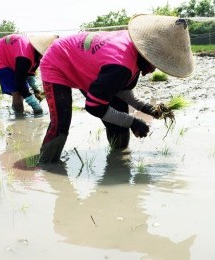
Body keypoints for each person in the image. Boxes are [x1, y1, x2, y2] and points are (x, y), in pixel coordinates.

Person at [37, 14, 194, 163]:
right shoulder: (120, 66)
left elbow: (122, 91)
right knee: (61, 122)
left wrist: (148, 109)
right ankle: (47, 164)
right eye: (157, 62)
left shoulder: (133, 53)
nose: (155, 69)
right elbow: (94, 107)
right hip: (58, 61)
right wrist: (133, 122)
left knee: (119, 116)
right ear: (148, 53)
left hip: (90, 67)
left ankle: (119, 160)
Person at [0, 34, 58, 115]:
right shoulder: (25, 57)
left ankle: (16, 110)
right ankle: (19, 117)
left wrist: (35, 89)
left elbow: (30, 73)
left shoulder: (36, 55)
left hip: (12, 55)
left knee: (22, 89)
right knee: (17, 91)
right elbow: (20, 82)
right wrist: (34, 104)